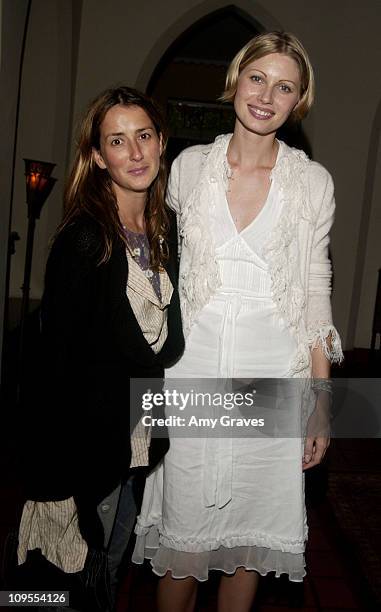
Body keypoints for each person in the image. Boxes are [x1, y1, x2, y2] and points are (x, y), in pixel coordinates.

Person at [132, 31, 344, 612]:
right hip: (190, 371)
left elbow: (315, 293)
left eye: (285, 86)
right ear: (234, 81)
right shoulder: (187, 169)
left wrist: (319, 401)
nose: (267, 95)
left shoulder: (313, 183)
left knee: (249, 541)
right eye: (257, 78)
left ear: (298, 101)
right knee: (182, 544)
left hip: (271, 372)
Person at [16, 86, 184, 611]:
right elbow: (52, 368)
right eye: (117, 141)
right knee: (68, 589)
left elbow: (158, 346)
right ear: (97, 155)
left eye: (144, 137)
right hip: (87, 452)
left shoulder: (164, 230)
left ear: (160, 143)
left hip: (135, 442)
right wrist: (55, 485)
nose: (134, 154)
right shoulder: (86, 238)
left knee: (107, 574)